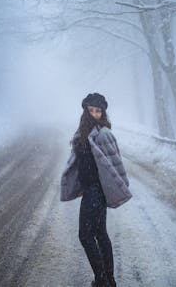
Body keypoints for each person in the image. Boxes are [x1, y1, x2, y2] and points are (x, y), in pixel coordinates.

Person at [60, 93, 133, 287]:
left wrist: (115, 187)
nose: (94, 114)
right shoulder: (84, 132)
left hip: (96, 191)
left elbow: (115, 164)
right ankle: (108, 280)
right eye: (91, 110)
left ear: (103, 113)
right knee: (100, 233)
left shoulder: (103, 134)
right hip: (91, 189)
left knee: (85, 235)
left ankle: (102, 280)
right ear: (85, 111)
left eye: (98, 111)